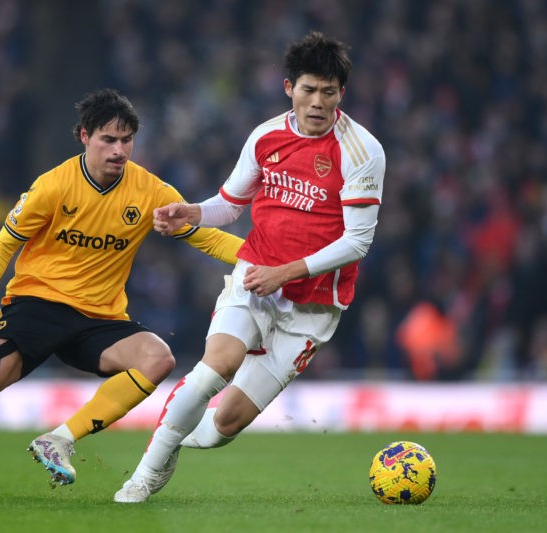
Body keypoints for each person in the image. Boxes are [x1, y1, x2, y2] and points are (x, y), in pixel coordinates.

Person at [0, 88, 244, 497]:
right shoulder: (53, 186)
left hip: (99, 318)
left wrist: (263, 261)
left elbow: (206, 238)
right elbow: (3, 244)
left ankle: (60, 438)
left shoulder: (150, 191)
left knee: (157, 358)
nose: (119, 150)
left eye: (126, 140)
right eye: (108, 140)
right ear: (84, 136)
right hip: (37, 306)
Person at [114, 31, 386, 503]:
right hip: (256, 278)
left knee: (225, 424)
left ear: (342, 93)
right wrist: (193, 211)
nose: (317, 101)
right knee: (215, 367)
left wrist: (288, 272)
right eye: (308, 89)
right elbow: (230, 202)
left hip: (314, 308)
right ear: (289, 88)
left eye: (328, 91)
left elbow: (357, 241)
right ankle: (145, 474)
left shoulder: (362, 151)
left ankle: (182, 433)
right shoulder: (265, 136)